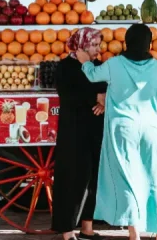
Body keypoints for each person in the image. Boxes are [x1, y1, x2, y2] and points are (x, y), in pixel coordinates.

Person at [76, 24, 157, 240]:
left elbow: (93, 75)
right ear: (149, 44)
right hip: (152, 129)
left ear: (126, 42)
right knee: (156, 178)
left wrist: (84, 62)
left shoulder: (115, 64)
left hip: (124, 131)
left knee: (129, 179)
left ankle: (134, 234)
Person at [51, 28, 107, 240]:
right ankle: (67, 232)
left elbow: (105, 88)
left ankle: (87, 227)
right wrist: (96, 97)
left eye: (98, 45)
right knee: (72, 179)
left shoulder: (98, 66)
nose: (98, 49)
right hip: (73, 132)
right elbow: (69, 96)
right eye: (94, 45)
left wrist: (101, 99)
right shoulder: (65, 67)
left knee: (93, 178)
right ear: (82, 45)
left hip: (95, 129)